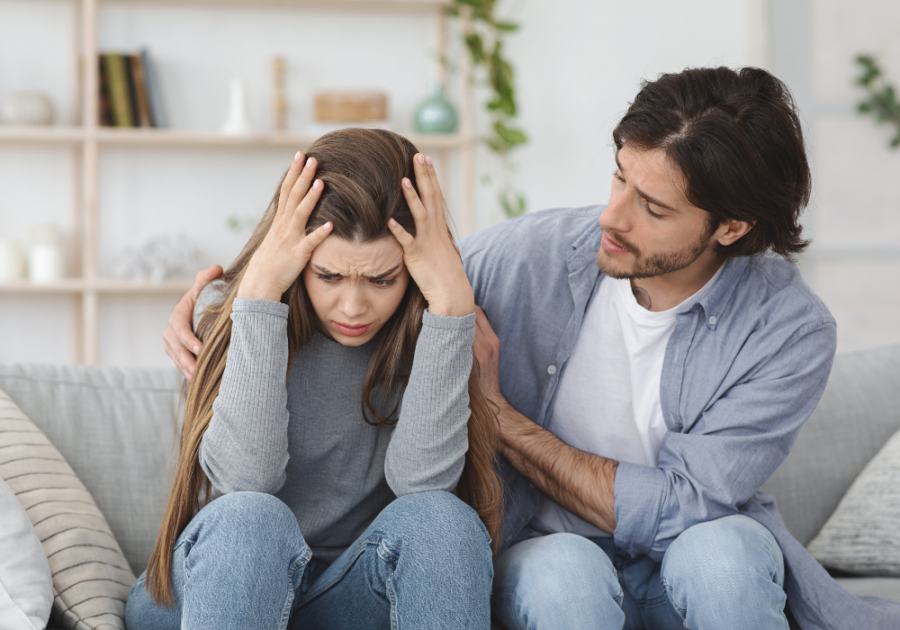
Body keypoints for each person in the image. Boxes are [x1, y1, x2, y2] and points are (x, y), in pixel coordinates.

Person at [165, 68, 900, 629]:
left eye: (652, 207)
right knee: (559, 576)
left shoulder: (791, 330)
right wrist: (226, 308)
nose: (611, 216)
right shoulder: (528, 255)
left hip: (696, 536)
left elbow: (688, 507)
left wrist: (501, 416)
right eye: (619, 176)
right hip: (548, 544)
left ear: (730, 229)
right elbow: (389, 271)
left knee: (729, 557)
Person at [128, 128, 502, 630]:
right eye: (328, 277)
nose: (352, 307)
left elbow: (422, 484)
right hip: (219, 585)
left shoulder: (434, 330)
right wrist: (258, 296)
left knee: (443, 520)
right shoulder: (239, 313)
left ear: (413, 270)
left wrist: (451, 310)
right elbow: (245, 481)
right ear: (298, 260)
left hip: (347, 591)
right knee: (252, 520)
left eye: (381, 280)